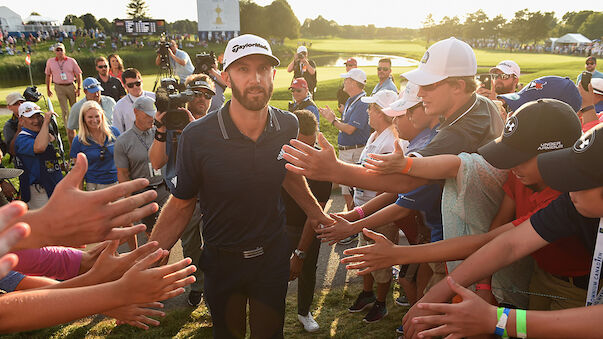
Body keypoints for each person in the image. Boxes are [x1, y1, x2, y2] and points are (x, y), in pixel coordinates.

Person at [149, 34, 333, 339]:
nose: (255, 78)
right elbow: (182, 203)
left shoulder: (288, 124)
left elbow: (287, 171)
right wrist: (150, 260)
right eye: (243, 69)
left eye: (263, 69)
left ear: (274, 75)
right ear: (225, 77)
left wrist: (317, 215)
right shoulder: (198, 135)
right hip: (223, 261)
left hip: (271, 257)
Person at [283, 37, 503, 208]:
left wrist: (334, 170)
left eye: (429, 84)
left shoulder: (459, 132)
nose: (420, 92)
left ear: (458, 86)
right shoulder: (477, 105)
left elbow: (405, 181)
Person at [148, 73, 215, 307]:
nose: (202, 99)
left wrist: (193, 128)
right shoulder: (173, 122)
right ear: (186, 96)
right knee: (190, 247)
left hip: (212, 198)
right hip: (183, 198)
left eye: (207, 95)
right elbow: (156, 162)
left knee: (216, 245)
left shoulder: (217, 122)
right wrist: (160, 127)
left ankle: (215, 289)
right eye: (197, 93)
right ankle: (195, 287)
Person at [284, 109, 332, 333]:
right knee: (271, 272)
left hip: (306, 228)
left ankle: (304, 312)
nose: (305, 153)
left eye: (309, 145)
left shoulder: (321, 165)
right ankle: (271, 311)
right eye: (298, 146)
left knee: (307, 271)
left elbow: (315, 215)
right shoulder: (276, 157)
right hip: (276, 227)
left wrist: (300, 254)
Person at [114, 96, 168, 248]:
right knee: (146, 242)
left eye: (153, 114)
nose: (152, 119)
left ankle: (161, 270)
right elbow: (123, 174)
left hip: (163, 190)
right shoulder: (123, 141)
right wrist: (128, 202)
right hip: (141, 195)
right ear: (136, 112)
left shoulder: (160, 133)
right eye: (147, 115)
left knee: (165, 240)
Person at [319, 68, 371, 214]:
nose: (344, 82)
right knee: (346, 192)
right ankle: (353, 226)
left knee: (354, 193)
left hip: (355, 151)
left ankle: (356, 225)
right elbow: (346, 123)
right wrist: (334, 117)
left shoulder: (362, 102)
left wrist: (332, 120)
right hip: (347, 151)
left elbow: (349, 129)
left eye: (346, 80)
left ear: (354, 83)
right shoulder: (350, 100)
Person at [14, 102, 63, 210]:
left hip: (53, 186)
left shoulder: (41, 134)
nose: (36, 121)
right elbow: (39, 148)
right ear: (21, 120)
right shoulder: (22, 139)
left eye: (38, 116)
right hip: (39, 191)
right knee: (46, 223)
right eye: (31, 117)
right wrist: (46, 122)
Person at [70, 101, 120, 191]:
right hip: (94, 186)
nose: (94, 120)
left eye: (97, 116)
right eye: (90, 117)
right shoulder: (78, 141)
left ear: (102, 116)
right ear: (83, 118)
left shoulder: (114, 133)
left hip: (116, 183)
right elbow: (78, 173)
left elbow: (123, 159)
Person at [44, 42, 82, 141]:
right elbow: (48, 75)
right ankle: (68, 129)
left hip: (71, 86)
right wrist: (48, 89)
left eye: (61, 49)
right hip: (59, 87)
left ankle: (78, 127)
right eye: (57, 50)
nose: (59, 52)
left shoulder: (71, 61)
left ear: (64, 50)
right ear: (55, 52)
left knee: (75, 108)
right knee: (64, 110)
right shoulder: (50, 62)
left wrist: (79, 88)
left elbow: (78, 74)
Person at [66, 77, 116, 145]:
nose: (97, 94)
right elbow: (70, 130)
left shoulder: (110, 102)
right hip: (89, 143)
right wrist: (74, 148)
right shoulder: (77, 107)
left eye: (98, 91)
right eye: (93, 92)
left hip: (111, 140)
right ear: (85, 91)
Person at [112, 68, 155, 134]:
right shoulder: (119, 106)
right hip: (132, 142)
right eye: (130, 85)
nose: (135, 87)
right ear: (125, 86)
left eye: (137, 83)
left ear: (142, 81)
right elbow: (118, 132)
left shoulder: (155, 98)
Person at [4, 92, 25, 157]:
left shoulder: (37, 117)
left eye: (22, 102)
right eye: (16, 104)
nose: (20, 105)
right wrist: (19, 130)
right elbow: (11, 151)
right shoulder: (9, 125)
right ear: (9, 107)